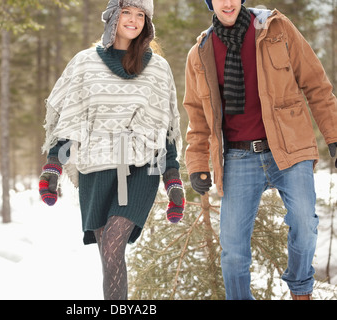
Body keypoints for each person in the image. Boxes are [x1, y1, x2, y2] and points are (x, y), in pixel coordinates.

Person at [183, 0, 337, 300]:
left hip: (289, 146)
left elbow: (316, 83)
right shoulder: (200, 52)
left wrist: (333, 134)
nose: (227, 2)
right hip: (238, 157)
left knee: (305, 224)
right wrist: (198, 162)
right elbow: (196, 115)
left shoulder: (276, 28)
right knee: (233, 250)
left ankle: (301, 291)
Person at [39, 0, 185, 300]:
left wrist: (173, 180)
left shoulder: (158, 68)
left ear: (148, 22)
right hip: (96, 166)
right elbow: (71, 118)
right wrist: (53, 167)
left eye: (140, 15)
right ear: (113, 16)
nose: (133, 20)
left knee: (114, 242)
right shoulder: (85, 63)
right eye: (127, 12)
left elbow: (165, 127)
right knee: (108, 254)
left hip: (142, 168)